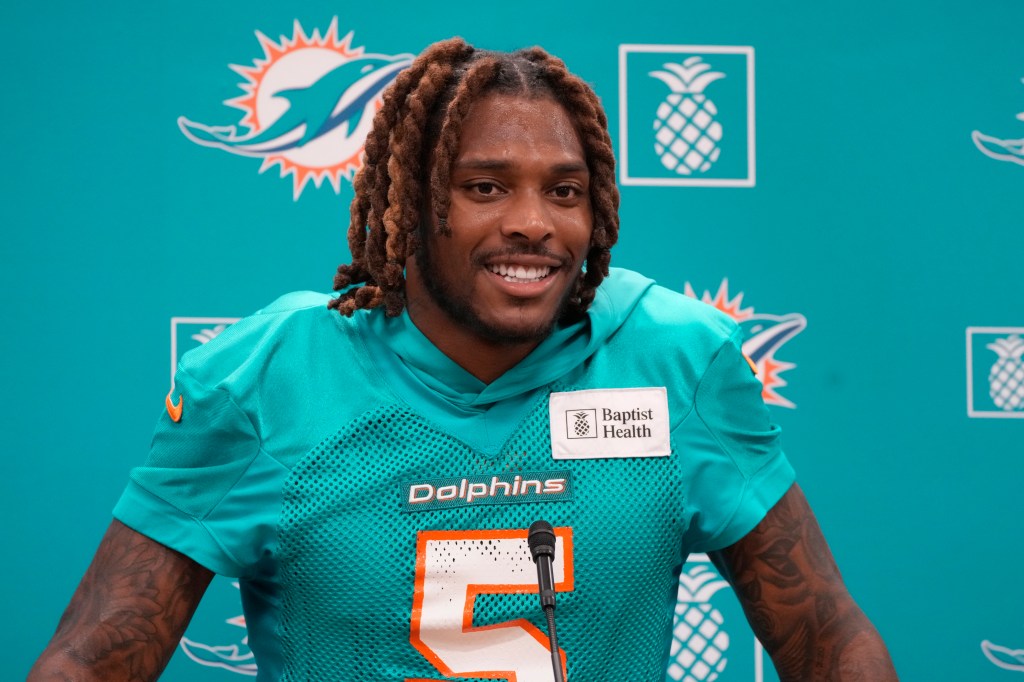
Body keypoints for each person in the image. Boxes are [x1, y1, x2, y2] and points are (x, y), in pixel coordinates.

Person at [30, 38, 898, 681]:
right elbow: (92, 660)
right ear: (411, 207)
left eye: (564, 191)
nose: (532, 222)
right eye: (485, 187)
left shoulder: (674, 359)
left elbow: (828, 640)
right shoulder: (271, 376)